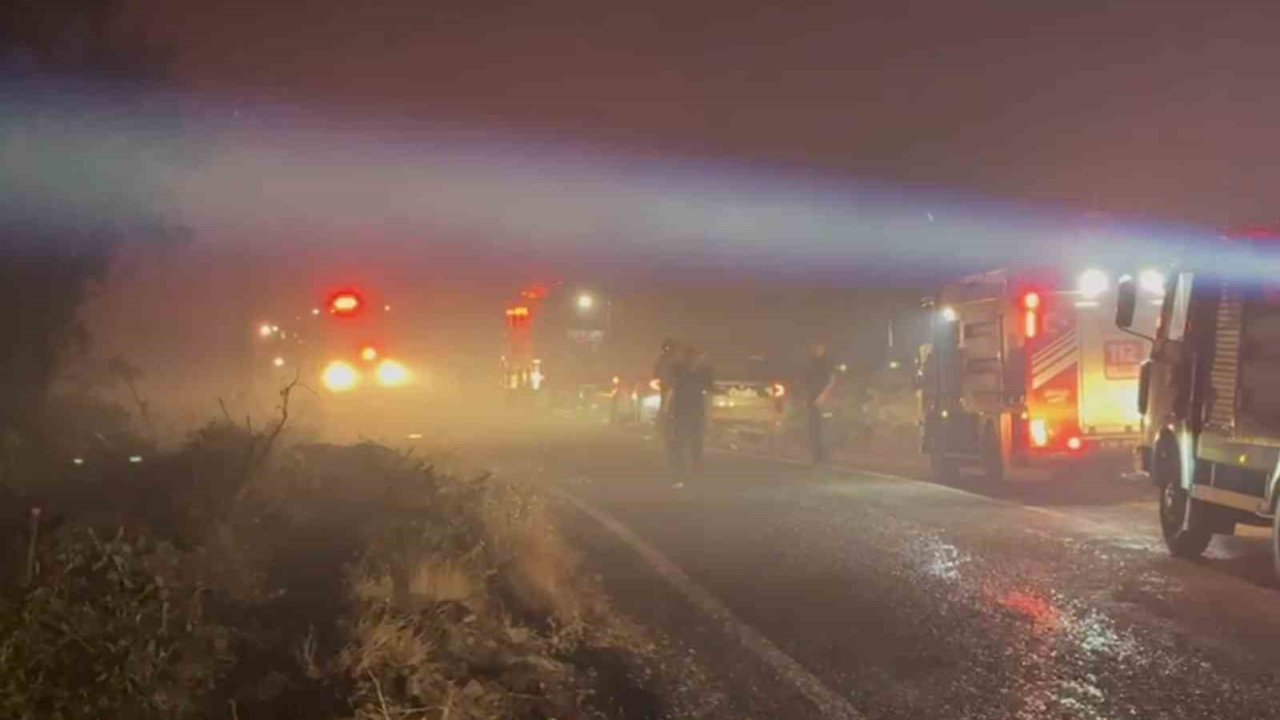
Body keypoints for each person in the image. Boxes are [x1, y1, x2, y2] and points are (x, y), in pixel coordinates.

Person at [668, 345, 713, 481]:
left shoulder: (700, 374)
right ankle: (682, 468)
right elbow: (673, 389)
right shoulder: (681, 372)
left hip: (693, 410)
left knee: (695, 440)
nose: (695, 360)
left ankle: (694, 467)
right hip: (683, 410)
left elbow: (709, 389)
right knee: (682, 440)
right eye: (694, 357)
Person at [804, 342, 837, 465]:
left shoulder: (827, 363)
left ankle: (825, 456)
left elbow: (832, 380)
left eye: (819, 348)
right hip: (812, 398)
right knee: (814, 427)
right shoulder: (811, 363)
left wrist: (823, 395)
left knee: (824, 428)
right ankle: (816, 456)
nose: (816, 350)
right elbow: (808, 381)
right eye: (815, 348)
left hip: (824, 399)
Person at [653, 338, 680, 452]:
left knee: (667, 409)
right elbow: (657, 373)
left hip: (670, 387)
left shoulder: (666, 359)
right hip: (669, 387)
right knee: (667, 409)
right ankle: (665, 431)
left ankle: (666, 431)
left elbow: (656, 373)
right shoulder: (669, 359)